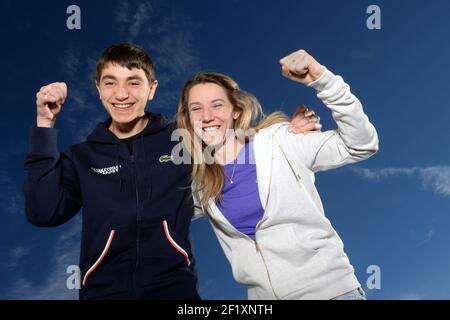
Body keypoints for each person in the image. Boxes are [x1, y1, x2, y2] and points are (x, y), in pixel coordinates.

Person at [23, 43, 321, 300]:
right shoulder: (82, 157)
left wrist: (287, 130)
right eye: (111, 82)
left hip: (175, 291)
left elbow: (232, 141)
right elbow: (44, 212)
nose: (122, 93)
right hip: (102, 292)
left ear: (152, 89)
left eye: (134, 82)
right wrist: (44, 125)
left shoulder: (182, 138)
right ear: (98, 89)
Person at [176, 48, 379, 300]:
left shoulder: (281, 141)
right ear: (188, 119)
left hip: (332, 293)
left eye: (217, 105)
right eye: (196, 109)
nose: (207, 116)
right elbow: (147, 212)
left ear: (236, 110)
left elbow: (359, 145)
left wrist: (323, 80)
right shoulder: (199, 186)